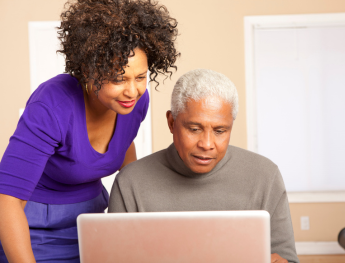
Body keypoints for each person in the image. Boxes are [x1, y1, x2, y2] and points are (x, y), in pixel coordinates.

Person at [0, 0, 179, 262]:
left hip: (93, 223)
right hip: (34, 230)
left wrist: (137, 207)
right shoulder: (52, 106)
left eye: (140, 77)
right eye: (119, 78)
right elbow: (7, 200)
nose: (132, 91)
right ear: (89, 70)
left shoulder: (134, 103)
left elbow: (124, 146)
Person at [108, 69, 300, 263]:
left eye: (220, 131)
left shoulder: (266, 176)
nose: (207, 144)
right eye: (194, 129)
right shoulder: (130, 182)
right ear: (171, 122)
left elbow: (287, 257)